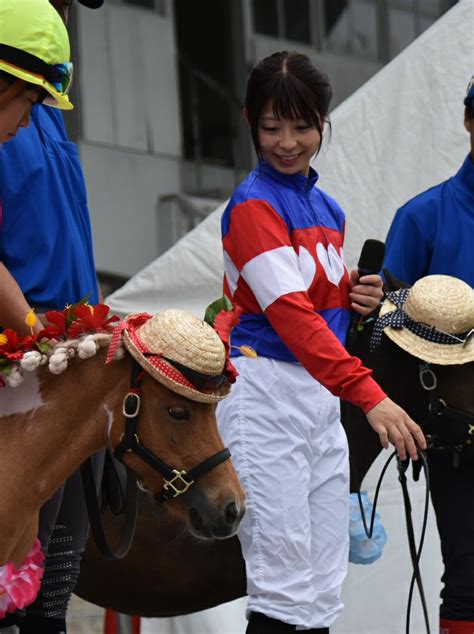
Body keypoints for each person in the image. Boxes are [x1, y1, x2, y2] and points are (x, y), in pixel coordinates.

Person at [217, 51, 426, 634]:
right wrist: (371, 396)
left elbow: (318, 310)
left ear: (323, 124)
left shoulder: (328, 208)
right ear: (249, 122)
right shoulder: (252, 204)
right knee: (283, 591)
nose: (287, 142)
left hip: (318, 399)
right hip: (264, 392)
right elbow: (290, 318)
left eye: (302, 126)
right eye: (271, 127)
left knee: (323, 588)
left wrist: (352, 294)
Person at [0, 1, 104, 633]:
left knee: (47, 606)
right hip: (23, 367)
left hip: (65, 358)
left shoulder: (40, 100)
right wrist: (39, 338)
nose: (64, 13)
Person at [383, 77, 474, 634]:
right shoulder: (421, 217)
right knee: (467, 577)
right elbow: (386, 333)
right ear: (468, 120)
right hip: (454, 434)